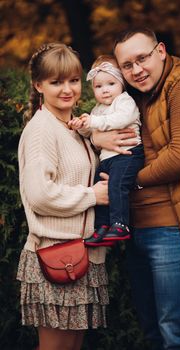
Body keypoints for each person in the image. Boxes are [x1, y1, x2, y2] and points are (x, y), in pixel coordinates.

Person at [92, 27, 180, 349]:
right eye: (127, 65)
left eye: (142, 58)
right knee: (153, 333)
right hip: (138, 226)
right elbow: (111, 128)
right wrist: (99, 138)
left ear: (161, 51)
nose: (136, 70)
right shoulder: (134, 94)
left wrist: (131, 180)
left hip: (174, 227)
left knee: (176, 336)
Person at [16, 43, 110, 350]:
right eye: (56, 82)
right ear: (38, 84)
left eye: (72, 80)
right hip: (54, 254)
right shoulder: (42, 129)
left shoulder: (71, 128)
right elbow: (40, 195)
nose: (66, 89)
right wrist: (92, 195)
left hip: (81, 254)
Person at [69, 55, 144, 246]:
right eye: (98, 86)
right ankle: (102, 226)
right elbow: (92, 131)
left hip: (128, 154)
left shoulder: (125, 101)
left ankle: (120, 224)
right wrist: (82, 125)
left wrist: (94, 122)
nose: (105, 90)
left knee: (117, 185)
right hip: (108, 158)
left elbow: (121, 119)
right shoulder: (97, 109)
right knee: (99, 187)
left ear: (121, 84)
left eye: (110, 83)